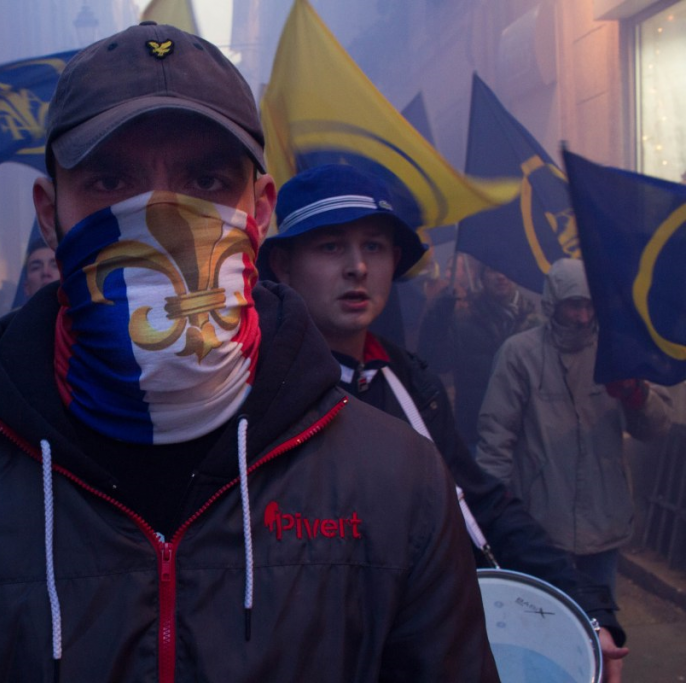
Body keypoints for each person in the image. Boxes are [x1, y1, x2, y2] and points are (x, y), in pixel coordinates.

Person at [0, 22, 499, 682]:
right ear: (50, 213)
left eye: (206, 181)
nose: (161, 214)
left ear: (259, 211)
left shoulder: (399, 484)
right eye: (110, 182)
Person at [258, 164, 630, 681]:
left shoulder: (409, 383)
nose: (357, 267)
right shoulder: (254, 397)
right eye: (330, 246)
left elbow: (482, 506)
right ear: (283, 265)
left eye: (374, 246)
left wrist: (586, 609)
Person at [477, 258, 671, 594]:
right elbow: (496, 438)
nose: (583, 316)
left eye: (589, 306)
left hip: (604, 516)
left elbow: (657, 427)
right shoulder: (520, 355)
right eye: (574, 306)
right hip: (542, 520)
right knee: (547, 615)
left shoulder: (617, 351)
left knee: (600, 618)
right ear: (554, 303)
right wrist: (495, 513)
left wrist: (637, 396)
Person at [418, 260, 541, 450]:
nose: (501, 276)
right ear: (481, 277)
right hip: (477, 433)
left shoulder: (536, 323)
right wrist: (437, 322)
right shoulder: (463, 320)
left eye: (506, 269)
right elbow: (436, 363)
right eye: (492, 270)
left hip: (526, 433)